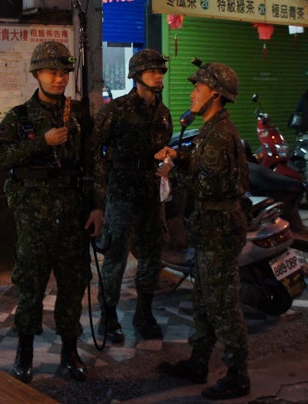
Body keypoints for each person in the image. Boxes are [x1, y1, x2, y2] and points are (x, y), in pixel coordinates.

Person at [0, 41, 103, 383]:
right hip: (35, 219)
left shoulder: (81, 115)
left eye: (64, 72)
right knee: (31, 287)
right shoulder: (19, 117)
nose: (59, 79)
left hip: (73, 216)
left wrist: (98, 206)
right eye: (52, 72)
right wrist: (43, 142)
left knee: (72, 286)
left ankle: (70, 353)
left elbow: (95, 163)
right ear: (37, 74)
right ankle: (24, 354)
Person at [155, 61, 251, 400]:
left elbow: (208, 187)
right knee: (203, 301)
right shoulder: (211, 130)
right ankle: (198, 362)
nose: (193, 93)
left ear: (216, 96)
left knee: (222, 304)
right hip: (209, 228)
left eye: (199, 88)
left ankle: (238, 375)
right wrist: (180, 158)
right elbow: (203, 167)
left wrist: (171, 172)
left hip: (219, 229)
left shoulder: (221, 135)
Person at [93, 49, 172, 343]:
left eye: (161, 71)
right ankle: (108, 316)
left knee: (152, 256)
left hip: (150, 194)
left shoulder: (163, 113)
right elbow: (95, 152)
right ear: (136, 76)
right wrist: (101, 194)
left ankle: (144, 312)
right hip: (121, 193)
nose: (158, 75)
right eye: (152, 71)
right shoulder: (114, 111)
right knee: (115, 257)